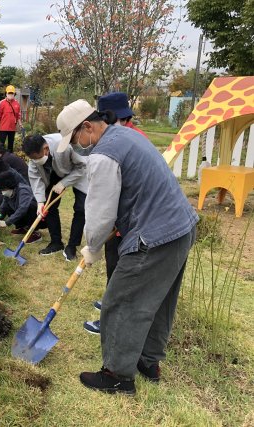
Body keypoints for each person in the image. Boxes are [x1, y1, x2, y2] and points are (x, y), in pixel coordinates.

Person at [57, 99, 197, 394]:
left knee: (119, 302)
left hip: (155, 235)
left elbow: (100, 213)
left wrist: (91, 246)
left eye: (74, 139)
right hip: (180, 227)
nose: (75, 146)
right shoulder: (127, 134)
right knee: (159, 301)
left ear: (87, 127)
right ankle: (148, 362)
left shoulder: (104, 154)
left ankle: (117, 375)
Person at [83, 92, 150, 335]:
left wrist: (93, 244)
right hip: (125, 220)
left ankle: (112, 316)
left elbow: (108, 196)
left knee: (123, 271)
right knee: (114, 264)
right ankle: (111, 300)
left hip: (134, 223)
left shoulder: (122, 140)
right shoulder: (131, 135)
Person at [22, 133, 88, 258]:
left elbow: (82, 166)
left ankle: (72, 246)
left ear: (46, 149)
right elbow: (35, 178)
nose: (35, 161)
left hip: (78, 171)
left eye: (37, 158)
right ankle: (56, 243)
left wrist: (64, 183)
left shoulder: (66, 144)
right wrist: (40, 202)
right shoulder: (34, 157)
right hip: (53, 172)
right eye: (33, 159)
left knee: (81, 208)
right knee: (49, 207)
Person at [0, 170, 41, 243]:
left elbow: (22, 209)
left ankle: (35, 233)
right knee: (8, 208)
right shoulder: (8, 194)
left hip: (38, 216)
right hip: (25, 212)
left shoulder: (23, 190)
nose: (2, 192)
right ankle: (24, 228)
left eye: (3, 189)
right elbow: (3, 208)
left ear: (8, 185)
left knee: (30, 206)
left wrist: (7, 222)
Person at [0, 85, 22, 152]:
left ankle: (10, 158)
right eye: (9, 93)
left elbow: (18, 115)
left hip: (12, 128)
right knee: (1, 144)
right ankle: (1, 158)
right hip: (3, 127)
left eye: (12, 93)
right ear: (6, 94)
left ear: (14, 94)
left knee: (11, 144)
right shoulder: (1, 103)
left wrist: (20, 124)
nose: (10, 95)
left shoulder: (17, 104)